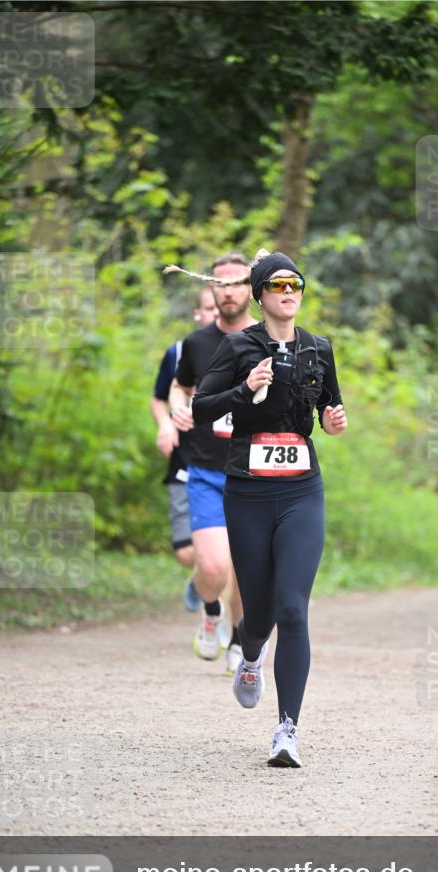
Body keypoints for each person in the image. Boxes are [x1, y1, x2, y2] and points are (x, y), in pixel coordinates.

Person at [191, 250, 348, 767]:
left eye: (294, 284)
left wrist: (333, 422)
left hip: (302, 490)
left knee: (292, 609)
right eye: (277, 284)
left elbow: (328, 410)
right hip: (248, 492)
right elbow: (201, 407)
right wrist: (245, 388)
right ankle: (250, 653)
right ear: (260, 294)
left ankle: (287, 731)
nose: (287, 292)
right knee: (258, 616)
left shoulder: (319, 348)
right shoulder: (239, 346)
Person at [169, 252, 253, 676]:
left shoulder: (268, 339)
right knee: (215, 566)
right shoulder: (197, 343)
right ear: (211, 289)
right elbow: (178, 387)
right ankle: (210, 610)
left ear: (251, 288)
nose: (229, 291)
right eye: (221, 284)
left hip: (254, 473)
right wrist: (178, 408)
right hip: (205, 471)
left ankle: (240, 640)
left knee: (247, 570)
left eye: (238, 282)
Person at [150, 288, 218, 612]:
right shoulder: (178, 352)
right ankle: (203, 574)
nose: (215, 313)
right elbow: (158, 398)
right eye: (208, 308)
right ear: (197, 313)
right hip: (185, 458)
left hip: (227, 460)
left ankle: (216, 605)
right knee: (185, 551)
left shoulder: (246, 349)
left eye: (218, 308)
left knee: (225, 546)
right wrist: (165, 423)